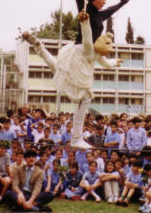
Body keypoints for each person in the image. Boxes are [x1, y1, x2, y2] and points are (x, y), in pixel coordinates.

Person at [22, 10, 122, 149]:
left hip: (68, 69)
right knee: (85, 99)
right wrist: (85, 21)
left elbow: (106, 64)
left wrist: (115, 61)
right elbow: (87, 35)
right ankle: (76, 138)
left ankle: (38, 45)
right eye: (107, 44)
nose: (109, 49)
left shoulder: (98, 54)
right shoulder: (89, 47)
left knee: (52, 63)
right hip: (75, 73)